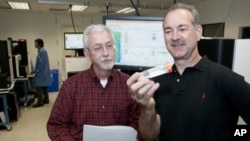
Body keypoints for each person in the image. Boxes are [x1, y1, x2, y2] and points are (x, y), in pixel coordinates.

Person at [127, 3, 250, 141]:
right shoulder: (156, 83)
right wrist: (147, 108)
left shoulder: (225, 79)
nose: (175, 37)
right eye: (168, 31)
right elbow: (150, 136)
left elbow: (242, 132)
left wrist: (233, 135)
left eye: (182, 29)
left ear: (198, 32)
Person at [47, 24, 140, 141]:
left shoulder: (130, 85)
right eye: (98, 48)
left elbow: (138, 126)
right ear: (87, 54)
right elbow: (56, 126)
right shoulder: (71, 87)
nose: (106, 53)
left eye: (109, 46)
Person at [32, 38, 52, 108]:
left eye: (35, 43)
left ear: (39, 44)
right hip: (43, 73)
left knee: (39, 87)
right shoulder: (42, 51)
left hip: (41, 73)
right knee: (44, 87)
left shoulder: (42, 52)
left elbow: (41, 64)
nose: (34, 44)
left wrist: (35, 71)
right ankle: (46, 100)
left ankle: (40, 102)